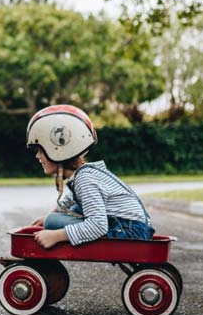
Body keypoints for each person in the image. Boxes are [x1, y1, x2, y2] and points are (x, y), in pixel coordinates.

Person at [27, 105, 154, 249]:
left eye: (40, 150)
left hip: (129, 231)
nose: (37, 156)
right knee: (61, 214)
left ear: (58, 150)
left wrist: (55, 236)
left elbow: (98, 226)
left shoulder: (85, 180)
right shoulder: (86, 173)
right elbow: (71, 201)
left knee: (52, 222)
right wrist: (46, 217)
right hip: (132, 227)